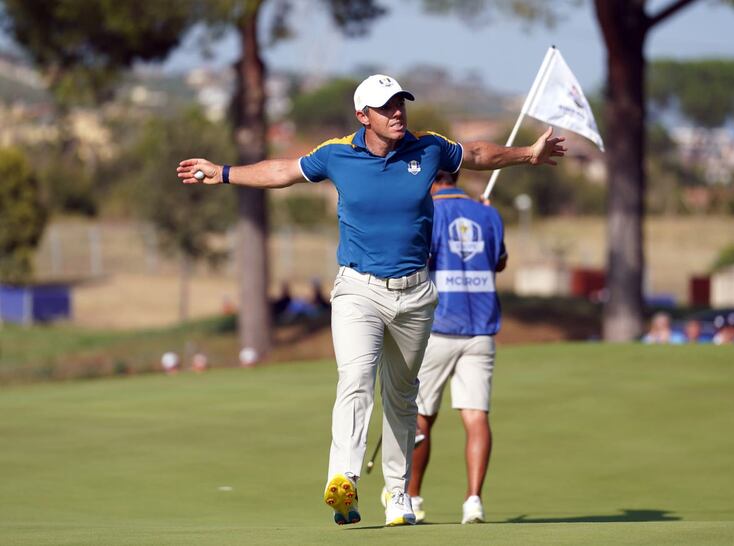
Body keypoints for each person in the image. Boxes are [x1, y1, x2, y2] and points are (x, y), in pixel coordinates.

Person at [177, 74, 566, 527]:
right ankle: (343, 480)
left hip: (416, 294)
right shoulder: (337, 154)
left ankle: (398, 495)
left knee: (402, 397)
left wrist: (528, 155)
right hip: (358, 290)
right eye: (387, 107)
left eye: (401, 103)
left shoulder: (429, 147)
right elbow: (282, 171)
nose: (398, 112)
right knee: (356, 379)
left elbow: (477, 154)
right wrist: (222, 173)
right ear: (363, 117)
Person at [399, 169, 507, 525]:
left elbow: (417, 261)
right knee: (476, 417)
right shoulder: (488, 213)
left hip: (439, 329)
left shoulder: (427, 211)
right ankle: (473, 501)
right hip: (481, 330)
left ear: (431, 177)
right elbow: (499, 261)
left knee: (422, 418)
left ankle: (412, 499)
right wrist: (486, 216)